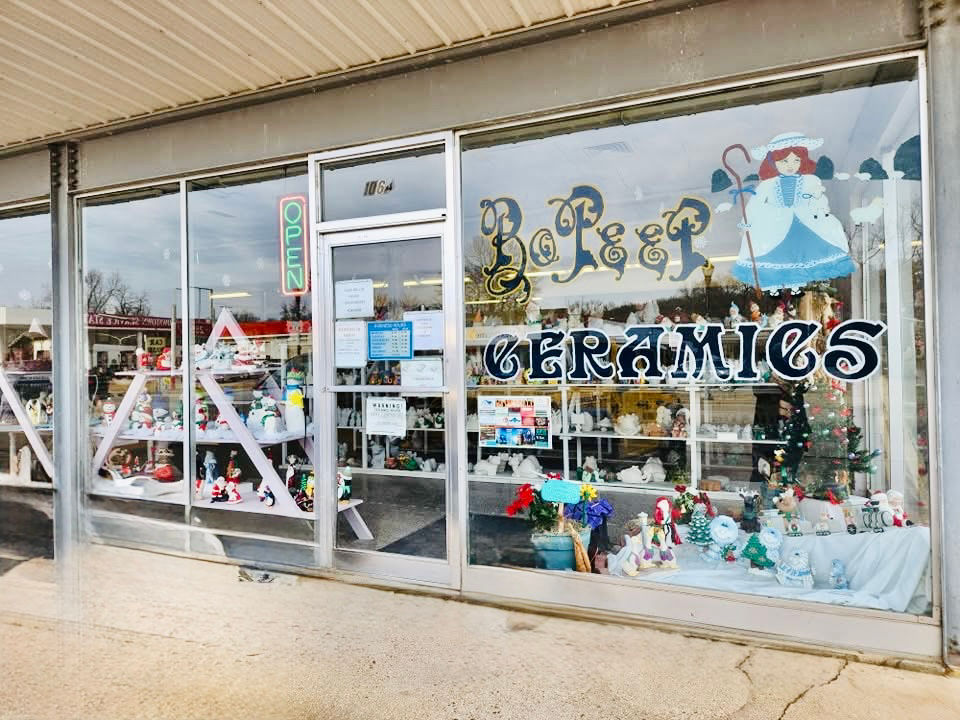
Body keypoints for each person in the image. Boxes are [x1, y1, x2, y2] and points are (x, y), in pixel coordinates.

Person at [732, 132, 855, 292]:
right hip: (775, 222)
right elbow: (755, 205)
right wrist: (746, 223)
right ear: (773, 163)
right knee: (774, 253)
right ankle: (775, 284)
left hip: (804, 220)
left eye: (796, 160)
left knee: (804, 251)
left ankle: (796, 284)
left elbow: (817, 199)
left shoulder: (810, 181)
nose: (791, 165)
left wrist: (819, 206)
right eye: (784, 161)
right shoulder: (767, 185)